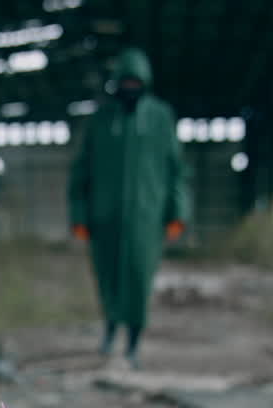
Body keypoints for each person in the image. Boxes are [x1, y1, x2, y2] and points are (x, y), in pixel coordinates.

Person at [69, 47, 190, 370]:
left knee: (138, 279)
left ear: (146, 83)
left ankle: (133, 342)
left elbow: (175, 169)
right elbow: (81, 171)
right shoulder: (101, 121)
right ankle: (110, 331)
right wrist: (79, 216)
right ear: (117, 84)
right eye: (126, 82)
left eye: (137, 82)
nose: (131, 88)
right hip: (103, 218)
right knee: (107, 278)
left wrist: (178, 212)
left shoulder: (161, 118)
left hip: (146, 219)